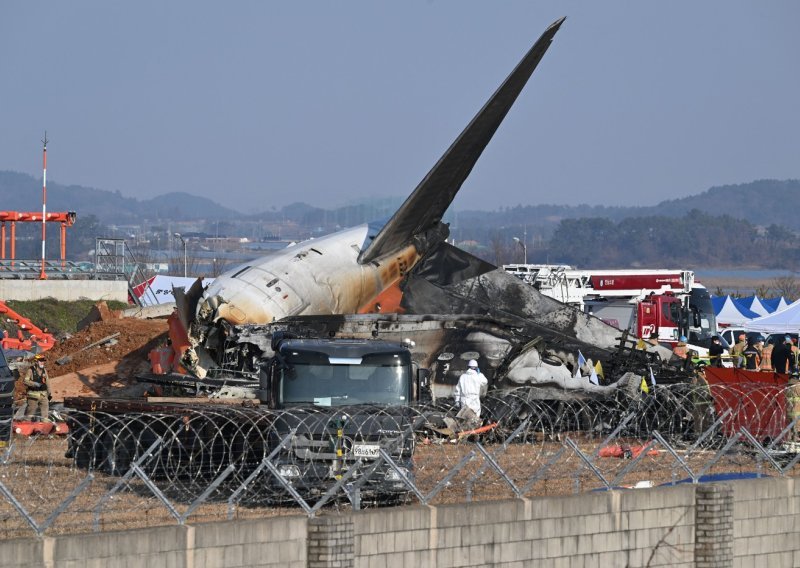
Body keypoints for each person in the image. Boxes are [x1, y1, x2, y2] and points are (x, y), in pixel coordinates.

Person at [453, 359, 488, 429]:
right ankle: (474, 431)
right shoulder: (478, 376)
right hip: (474, 399)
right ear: (476, 367)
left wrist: (457, 400)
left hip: (464, 399)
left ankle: (465, 431)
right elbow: (485, 381)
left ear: (468, 367)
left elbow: (458, 390)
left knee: (465, 418)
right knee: (475, 417)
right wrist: (479, 374)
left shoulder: (462, 376)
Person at [22, 354, 51, 422]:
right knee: (30, 412)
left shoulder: (44, 370)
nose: (42, 362)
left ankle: (45, 427)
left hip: (43, 395)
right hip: (33, 395)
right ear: (36, 362)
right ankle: (25, 426)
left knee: (45, 413)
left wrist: (49, 393)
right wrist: (34, 384)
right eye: (40, 361)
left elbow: (48, 382)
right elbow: (25, 381)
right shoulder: (30, 370)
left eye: (43, 361)